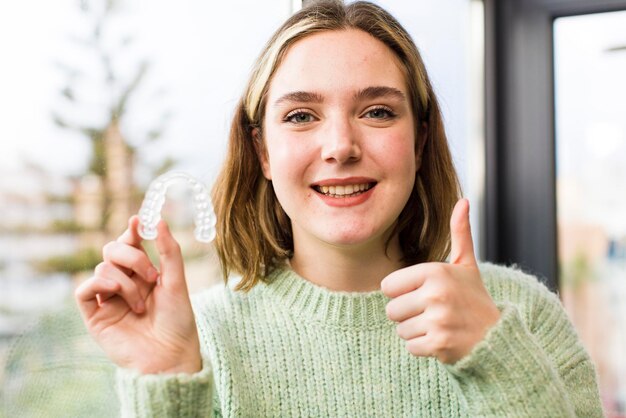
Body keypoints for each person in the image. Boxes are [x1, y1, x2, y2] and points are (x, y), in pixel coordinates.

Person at [74, 1, 604, 416]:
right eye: (302, 115)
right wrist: (167, 384)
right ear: (262, 151)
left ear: (420, 142)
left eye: (376, 111)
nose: (340, 146)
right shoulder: (200, 337)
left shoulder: (520, 315)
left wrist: (497, 360)